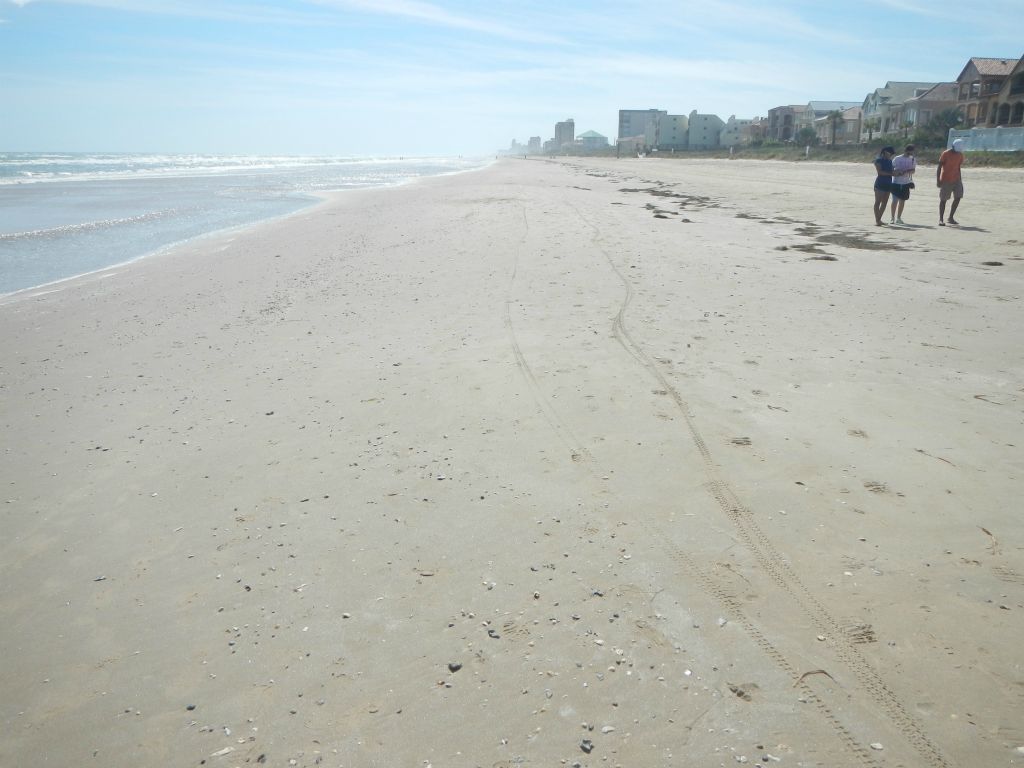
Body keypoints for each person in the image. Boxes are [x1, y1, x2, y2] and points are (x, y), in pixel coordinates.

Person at [937, 138, 965, 226]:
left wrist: (960, 180)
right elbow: (939, 167)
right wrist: (938, 180)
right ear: (952, 146)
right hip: (946, 179)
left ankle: (951, 217)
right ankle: (941, 219)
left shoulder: (960, 155)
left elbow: (958, 167)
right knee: (943, 199)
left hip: (956, 179)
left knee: (958, 197)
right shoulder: (945, 154)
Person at [889, 145, 916, 224]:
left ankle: (899, 218)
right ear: (906, 151)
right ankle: (892, 218)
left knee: (902, 201)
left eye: (912, 152)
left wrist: (907, 171)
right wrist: (897, 172)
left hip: (906, 182)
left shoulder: (912, 159)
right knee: (894, 200)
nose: (911, 153)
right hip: (896, 182)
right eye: (910, 152)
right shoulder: (897, 158)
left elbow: (913, 170)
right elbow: (891, 169)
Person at [872, 146, 895, 226]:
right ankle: (877, 220)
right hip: (880, 183)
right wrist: (891, 173)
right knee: (877, 202)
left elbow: (892, 171)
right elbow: (880, 172)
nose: (891, 155)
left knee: (884, 203)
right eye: (890, 153)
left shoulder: (890, 161)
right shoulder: (879, 160)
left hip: (888, 183)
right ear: (885, 152)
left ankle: (879, 220)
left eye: (891, 154)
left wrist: (897, 172)